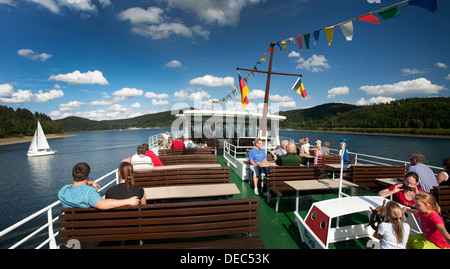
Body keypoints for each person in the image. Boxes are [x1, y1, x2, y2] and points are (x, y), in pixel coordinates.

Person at [58, 162, 139, 209]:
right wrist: (128, 201)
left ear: (73, 175)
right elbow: (102, 204)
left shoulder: (63, 191)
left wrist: (89, 182)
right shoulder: (89, 192)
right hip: (85, 230)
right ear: (88, 175)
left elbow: (74, 186)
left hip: (71, 230)